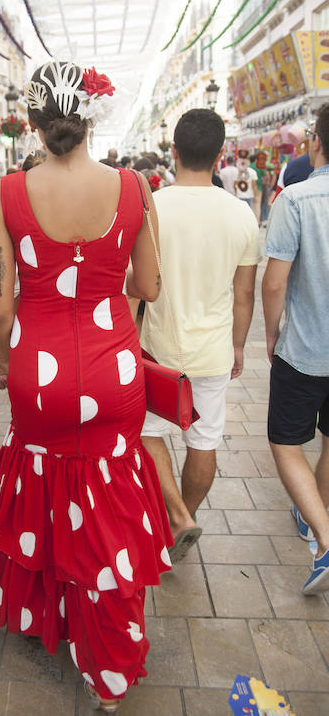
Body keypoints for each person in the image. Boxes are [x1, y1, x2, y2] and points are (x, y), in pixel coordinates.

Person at [0, 61, 172, 716]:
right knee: (107, 509)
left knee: (47, 494)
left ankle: (53, 622)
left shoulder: (6, 191)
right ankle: (111, 673)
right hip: (113, 369)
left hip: (39, 375)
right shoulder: (131, 186)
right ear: (90, 117)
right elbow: (148, 283)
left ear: (31, 121)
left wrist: (7, 364)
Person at [139, 109, 260, 561]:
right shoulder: (241, 215)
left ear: (174, 152)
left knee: (146, 432)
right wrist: (238, 345)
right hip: (212, 350)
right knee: (204, 439)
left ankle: (177, 515)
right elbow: (244, 292)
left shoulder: (152, 206)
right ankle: (184, 516)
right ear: (220, 153)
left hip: (157, 346)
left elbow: (138, 279)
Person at [262, 104, 329, 595]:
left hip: (305, 348)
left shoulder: (299, 199)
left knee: (286, 443)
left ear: (316, 144)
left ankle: (325, 539)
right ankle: (314, 516)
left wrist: (270, 332)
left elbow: (274, 283)